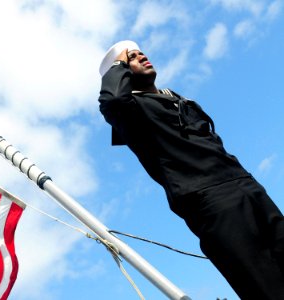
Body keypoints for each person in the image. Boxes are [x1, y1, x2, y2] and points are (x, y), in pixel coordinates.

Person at [98, 40, 284, 299]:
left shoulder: (179, 100)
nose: (141, 56)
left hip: (247, 186)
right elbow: (113, 100)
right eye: (131, 57)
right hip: (211, 200)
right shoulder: (132, 113)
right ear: (122, 72)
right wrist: (117, 63)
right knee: (265, 284)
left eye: (141, 52)